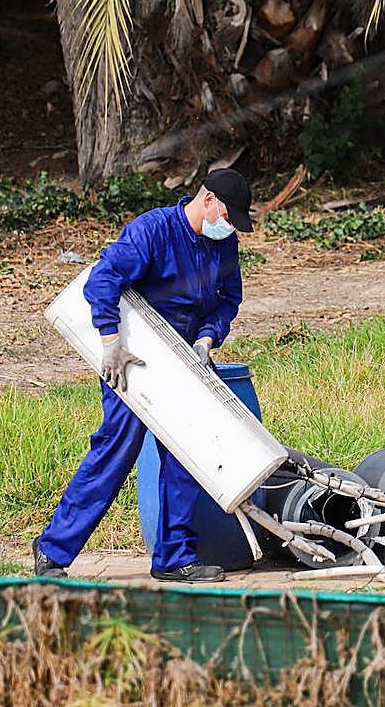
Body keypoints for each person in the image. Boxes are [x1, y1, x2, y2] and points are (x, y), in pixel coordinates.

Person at [33, 168, 253, 583]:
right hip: (134, 358)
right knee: (116, 451)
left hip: (186, 358)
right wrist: (110, 341)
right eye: (227, 216)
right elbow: (102, 280)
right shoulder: (152, 231)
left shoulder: (224, 246)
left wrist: (207, 339)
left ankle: (173, 558)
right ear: (207, 200)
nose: (229, 227)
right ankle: (52, 548)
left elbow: (229, 299)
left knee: (187, 456)